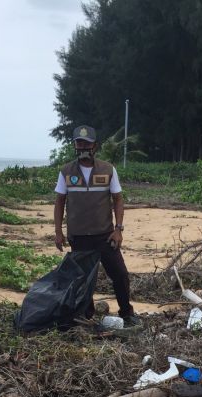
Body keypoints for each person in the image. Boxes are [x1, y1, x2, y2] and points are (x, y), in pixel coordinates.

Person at [53, 125, 140, 326]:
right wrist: (58, 232)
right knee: (83, 280)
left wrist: (118, 229)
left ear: (95, 146)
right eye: (79, 142)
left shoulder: (108, 169)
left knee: (120, 274)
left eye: (87, 143)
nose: (83, 146)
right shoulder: (66, 171)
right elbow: (59, 202)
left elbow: (118, 199)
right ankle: (87, 316)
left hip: (105, 235)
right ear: (74, 145)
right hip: (79, 237)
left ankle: (127, 313)